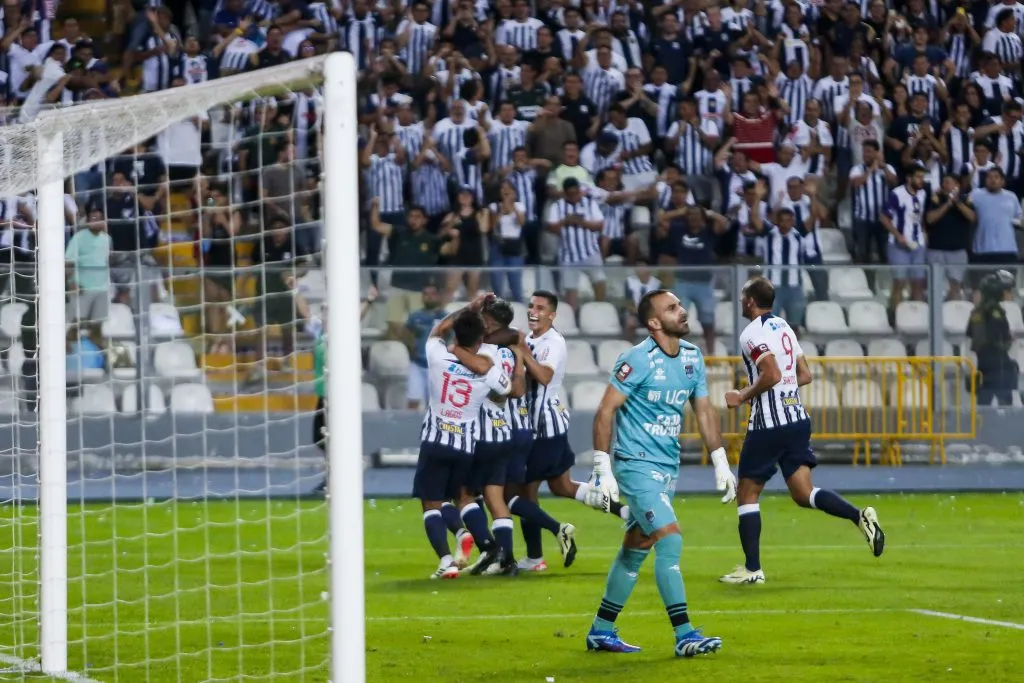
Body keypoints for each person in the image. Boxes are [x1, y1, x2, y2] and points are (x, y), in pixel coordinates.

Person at [584, 288, 731, 657]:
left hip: (667, 466)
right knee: (670, 539)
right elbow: (605, 411)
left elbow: (704, 410)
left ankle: (601, 630)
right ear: (653, 322)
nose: (682, 311)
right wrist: (603, 467)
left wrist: (721, 460)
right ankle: (685, 635)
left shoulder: (693, 358)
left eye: (681, 304)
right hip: (635, 464)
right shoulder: (637, 359)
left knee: (637, 548)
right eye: (672, 308)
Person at [719, 277, 885, 585]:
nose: (741, 302)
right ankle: (858, 516)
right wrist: (782, 386)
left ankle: (752, 569)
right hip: (796, 419)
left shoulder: (751, 333)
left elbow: (771, 372)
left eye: (743, 297)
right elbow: (804, 375)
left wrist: (742, 395)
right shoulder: (784, 327)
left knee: (747, 492)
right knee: (803, 493)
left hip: (769, 424)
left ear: (751, 301)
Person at [414, 297, 512, 579]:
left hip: (435, 441)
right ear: (480, 340)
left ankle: (446, 560)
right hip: (466, 445)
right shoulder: (488, 368)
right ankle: (488, 546)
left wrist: (470, 306)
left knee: (431, 502)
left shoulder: (437, 355)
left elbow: (438, 330)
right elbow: (504, 389)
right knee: (465, 496)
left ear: (456, 335)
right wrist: (479, 363)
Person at [967, 270, 1019, 406]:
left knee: (983, 406)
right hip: (999, 365)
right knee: (1006, 407)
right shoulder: (997, 313)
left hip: (982, 363)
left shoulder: (975, 312)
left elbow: (971, 336)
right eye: (1007, 290)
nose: (1009, 293)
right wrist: (1010, 339)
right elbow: (1003, 339)